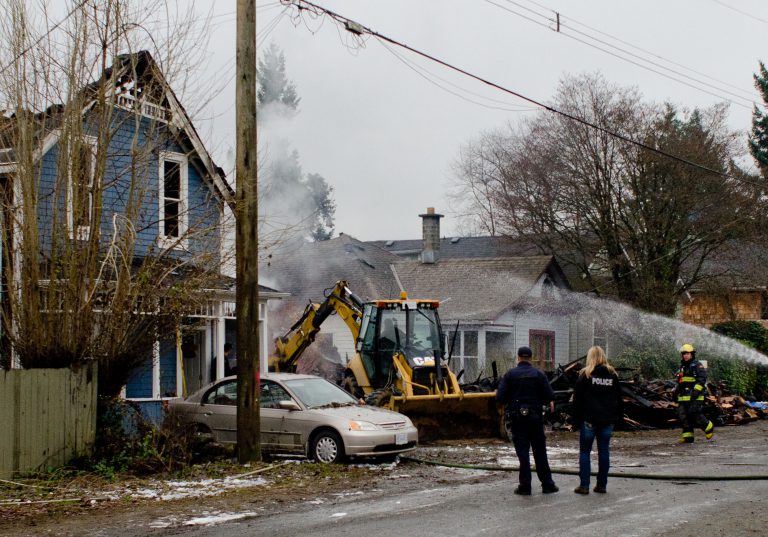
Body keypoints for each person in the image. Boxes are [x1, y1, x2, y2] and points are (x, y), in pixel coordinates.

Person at [496, 346, 559, 496]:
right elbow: (550, 395)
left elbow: (500, 398)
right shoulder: (539, 374)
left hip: (518, 419)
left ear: (518, 357)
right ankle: (547, 484)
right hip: (535, 418)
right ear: (531, 358)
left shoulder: (510, 375)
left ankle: (525, 486)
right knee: (540, 452)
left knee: (523, 453)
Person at [571, 346, 623, 495]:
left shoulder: (586, 375)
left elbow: (577, 400)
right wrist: (618, 418)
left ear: (590, 357)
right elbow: (619, 399)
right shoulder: (612, 375)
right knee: (604, 452)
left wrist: (575, 421)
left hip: (589, 420)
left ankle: (584, 486)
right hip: (607, 420)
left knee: (585, 452)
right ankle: (602, 485)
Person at [675, 343, 714, 444]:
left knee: (694, 413)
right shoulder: (682, 366)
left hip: (695, 396)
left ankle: (708, 427)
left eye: (687, 353)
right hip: (683, 397)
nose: (685, 355)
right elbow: (680, 381)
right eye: (684, 354)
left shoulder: (697, 365)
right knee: (683, 416)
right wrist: (675, 392)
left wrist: (696, 391)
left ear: (692, 354)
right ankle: (688, 437)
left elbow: (702, 378)